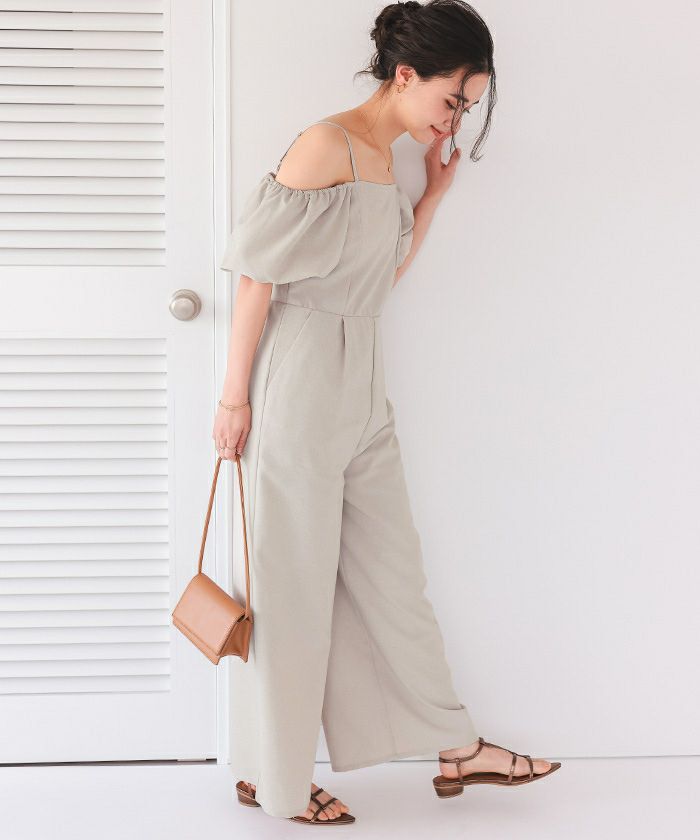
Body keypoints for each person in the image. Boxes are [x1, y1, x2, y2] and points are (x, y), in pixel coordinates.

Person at [215, 0, 560, 825]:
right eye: (453, 99)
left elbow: (377, 280)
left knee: (394, 577)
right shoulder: (325, 144)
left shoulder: (389, 160)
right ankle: (274, 778)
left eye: (466, 106)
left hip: (363, 381)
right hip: (299, 383)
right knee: (292, 590)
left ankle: (454, 745)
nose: (455, 118)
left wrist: (432, 196)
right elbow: (257, 277)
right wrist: (232, 400)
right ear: (405, 75)